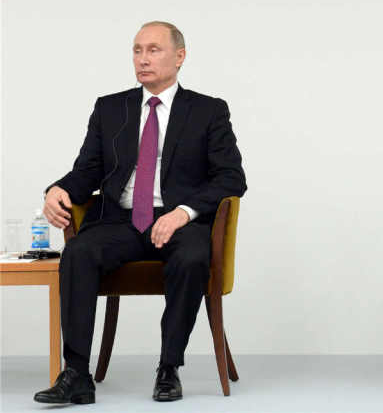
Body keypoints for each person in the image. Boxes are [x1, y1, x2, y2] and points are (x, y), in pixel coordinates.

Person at [34, 21, 247, 404]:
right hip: (120, 220)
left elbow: (231, 178)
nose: (143, 59)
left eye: (153, 50)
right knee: (78, 253)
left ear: (179, 57)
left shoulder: (208, 111)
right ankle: (76, 374)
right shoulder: (110, 108)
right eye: (137, 50)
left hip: (179, 221)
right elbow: (87, 170)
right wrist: (57, 189)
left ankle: (169, 368)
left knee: (192, 257)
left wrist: (183, 213)